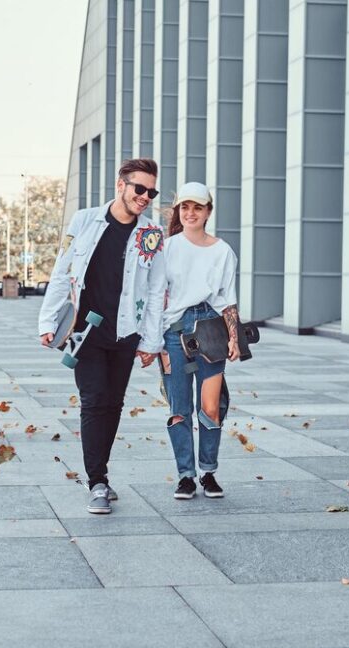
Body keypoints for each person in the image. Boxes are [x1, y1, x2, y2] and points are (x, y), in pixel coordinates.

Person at [38, 158, 166, 514]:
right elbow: (62, 271)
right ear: (120, 185)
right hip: (87, 331)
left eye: (151, 192)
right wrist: (48, 321)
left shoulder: (152, 234)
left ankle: (101, 475)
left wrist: (150, 341)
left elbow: (156, 290)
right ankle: (96, 481)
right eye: (139, 188)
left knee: (113, 404)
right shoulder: (84, 221)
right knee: (94, 401)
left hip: (127, 331)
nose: (145, 197)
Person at [159, 182, 239, 500]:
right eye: (185, 207)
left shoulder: (222, 251)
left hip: (211, 330)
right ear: (178, 210)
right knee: (179, 408)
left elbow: (227, 299)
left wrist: (234, 337)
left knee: (210, 407)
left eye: (198, 207)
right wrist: (152, 342)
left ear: (208, 212)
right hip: (174, 332)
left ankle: (208, 472)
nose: (191, 213)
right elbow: (156, 296)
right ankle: (185, 476)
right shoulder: (167, 248)